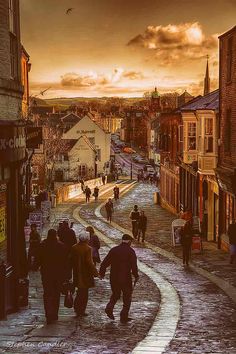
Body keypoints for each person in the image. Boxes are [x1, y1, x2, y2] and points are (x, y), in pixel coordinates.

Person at [99, 234, 139, 323]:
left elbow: (104, 263)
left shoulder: (114, 250)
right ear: (129, 241)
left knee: (116, 294)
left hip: (114, 277)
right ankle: (123, 316)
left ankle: (109, 307)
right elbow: (134, 266)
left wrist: (101, 273)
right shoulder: (131, 251)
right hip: (125, 278)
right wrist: (136, 275)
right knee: (127, 296)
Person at [39, 229, 69, 324]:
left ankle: (48, 313)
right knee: (56, 294)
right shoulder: (62, 246)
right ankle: (55, 314)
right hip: (58, 274)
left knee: (47, 293)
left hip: (46, 274)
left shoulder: (43, 245)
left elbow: (38, 259)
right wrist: (67, 275)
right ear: (56, 235)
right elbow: (66, 263)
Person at [71, 232, 99, 316]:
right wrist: (95, 273)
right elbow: (89, 262)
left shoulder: (74, 247)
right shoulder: (88, 248)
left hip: (76, 272)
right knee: (84, 293)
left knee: (79, 291)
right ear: (87, 239)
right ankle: (81, 310)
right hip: (85, 273)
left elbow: (71, 259)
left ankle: (76, 308)